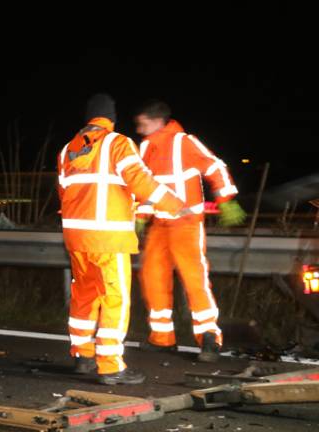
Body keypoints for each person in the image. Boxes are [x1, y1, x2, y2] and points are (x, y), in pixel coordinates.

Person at [58, 94, 186, 385]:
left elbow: (65, 192)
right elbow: (140, 182)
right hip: (108, 238)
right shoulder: (117, 143)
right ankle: (111, 366)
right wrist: (173, 205)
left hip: (76, 238)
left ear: (89, 117)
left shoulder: (68, 149)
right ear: (111, 118)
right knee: (114, 299)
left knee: (84, 295)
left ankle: (82, 355)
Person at [134, 100, 245, 363]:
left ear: (158, 120)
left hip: (186, 223)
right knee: (152, 278)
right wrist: (140, 216)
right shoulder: (146, 146)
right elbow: (145, 187)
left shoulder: (184, 142)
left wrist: (226, 199)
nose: (140, 129)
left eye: (143, 123)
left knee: (194, 280)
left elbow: (214, 167)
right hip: (159, 226)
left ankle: (209, 338)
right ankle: (162, 339)